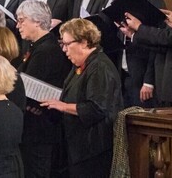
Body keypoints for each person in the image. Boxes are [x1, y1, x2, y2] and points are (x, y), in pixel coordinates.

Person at [41, 18, 123, 178]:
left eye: (67, 44)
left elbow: (97, 108)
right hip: (78, 147)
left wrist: (63, 106)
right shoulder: (80, 65)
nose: (64, 49)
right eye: (61, 44)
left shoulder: (100, 67)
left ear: (84, 43)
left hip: (94, 149)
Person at [15, 0, 72, 178]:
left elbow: (28, 88)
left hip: (41, 130)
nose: (18, 25)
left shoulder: (46, 50)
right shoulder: (40, 46)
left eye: (22, 20)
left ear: (37, 21)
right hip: (35, 128)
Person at [112, 0, 165, 108]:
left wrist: (149, 81)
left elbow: (157, 42)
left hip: (142, 75)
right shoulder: (121, 3)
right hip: (124, 74)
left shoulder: (154, 0)